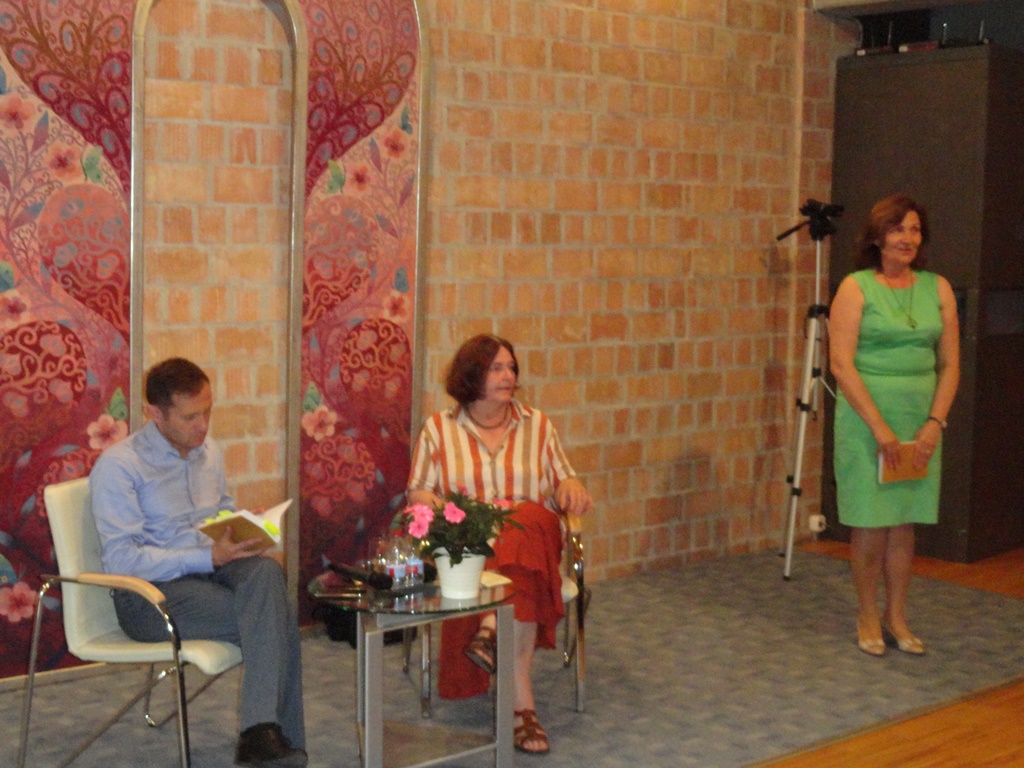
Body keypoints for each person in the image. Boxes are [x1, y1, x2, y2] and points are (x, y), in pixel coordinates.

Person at [90, 358, 306, 767]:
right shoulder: (120, 466)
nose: (202, 426)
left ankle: (262, 738)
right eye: (190, 417)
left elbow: (217, 513)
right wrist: (207, 556)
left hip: (210, 575)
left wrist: (242, 528)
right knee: (276, 617)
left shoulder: (209, 453)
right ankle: (268, 739)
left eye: (207, 412)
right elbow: (121, 560)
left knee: (266, 572)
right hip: (150, 597)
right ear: (155, 414)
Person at [407, 334, 593, 754]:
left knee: (526, 521)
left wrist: (571, 486)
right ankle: (519, 704)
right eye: (496, 368)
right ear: (471, 375)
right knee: (516, 572)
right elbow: (418, 490)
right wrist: (445, 513)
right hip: (472, 546)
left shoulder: (538, 424)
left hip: (533, 536)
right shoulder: (439, 429)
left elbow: (564, 477)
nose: (508, 375)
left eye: (511, 367)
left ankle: (490, 630)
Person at [829, 194, 959, 657]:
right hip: (867, 422)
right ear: (878, 236)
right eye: (898, 228)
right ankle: (868, 613)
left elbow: (950, 364)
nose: (908, 237)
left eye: (915, 229)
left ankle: (897, 615)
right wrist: (880, 429)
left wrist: (934, 423)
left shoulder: (938, 288)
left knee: (904, 523)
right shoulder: (856, 287)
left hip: (919, 423)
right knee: (871, 523)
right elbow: (841, 365)